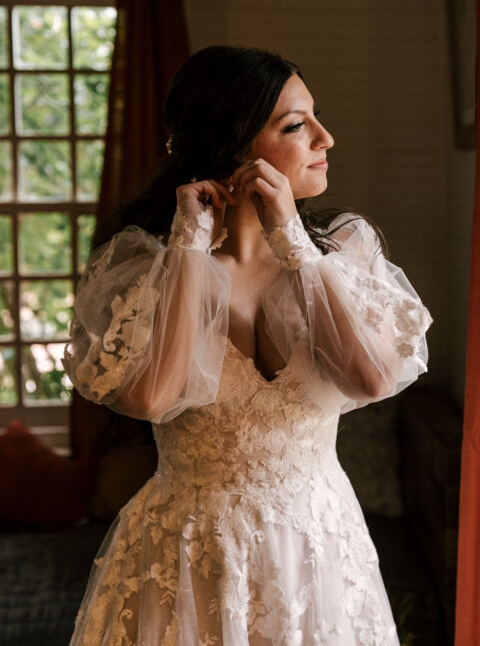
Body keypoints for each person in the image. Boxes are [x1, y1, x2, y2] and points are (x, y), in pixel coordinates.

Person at [64, 46, 431, 646]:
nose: (325, 139)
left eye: (315, 118)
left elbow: (371, 379)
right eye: (296, 125)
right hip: (188, 553)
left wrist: (293, 239)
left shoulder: (342, 251)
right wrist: (188, 246)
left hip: (319, 548)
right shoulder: (150, 267)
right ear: (233, 144)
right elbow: (153, 399)